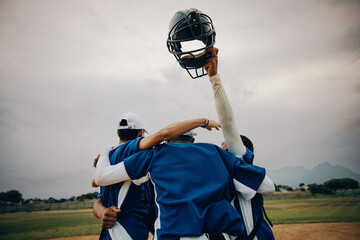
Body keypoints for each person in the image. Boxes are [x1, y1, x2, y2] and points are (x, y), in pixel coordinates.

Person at [95, 118, 271, 239]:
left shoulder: (153, 155)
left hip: (169, 235)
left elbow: (101, 178)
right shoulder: (214, 152)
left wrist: (105, 152)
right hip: (205, 235)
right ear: (192, 139)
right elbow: (267, 186)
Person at [93, 112, 221, 239]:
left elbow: (98, 192)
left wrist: (102, 211)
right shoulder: (137, 153)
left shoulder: (107, 159)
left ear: (117, 133)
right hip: (130, 231)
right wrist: (204, 121)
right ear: (140, 134)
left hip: (108, 233)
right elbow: (163, 134)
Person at [205, 47, 275, 240]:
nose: (221, 149)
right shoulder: (219, 175)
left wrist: (214, 79)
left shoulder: (242, 168)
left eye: (226, 146)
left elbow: (228, 125)